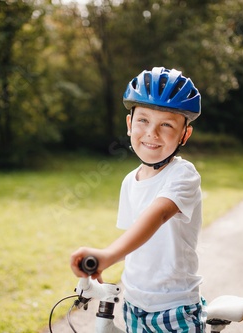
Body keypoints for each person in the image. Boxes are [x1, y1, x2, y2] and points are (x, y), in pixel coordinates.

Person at [70, 67, 206, 332]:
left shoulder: (183, 174)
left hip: (175, 308)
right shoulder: (129, 181)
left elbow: (157, 216)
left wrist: (107, 255)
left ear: (184, 135)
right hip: (134, 305)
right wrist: (98, 268)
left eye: (166, 124)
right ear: (130, 125)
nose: (152, 133)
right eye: (143, 120)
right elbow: (134, 239)